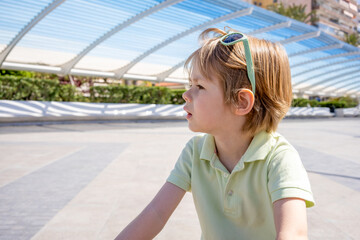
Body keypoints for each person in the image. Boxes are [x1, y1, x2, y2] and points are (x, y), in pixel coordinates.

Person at [115, 27, 315, 240]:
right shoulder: (195, 152)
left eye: (199, 86)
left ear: (241, 101)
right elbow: (156, 213)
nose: (186, 94)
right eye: (190, 84)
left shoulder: (279, 158)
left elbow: (293, 232)